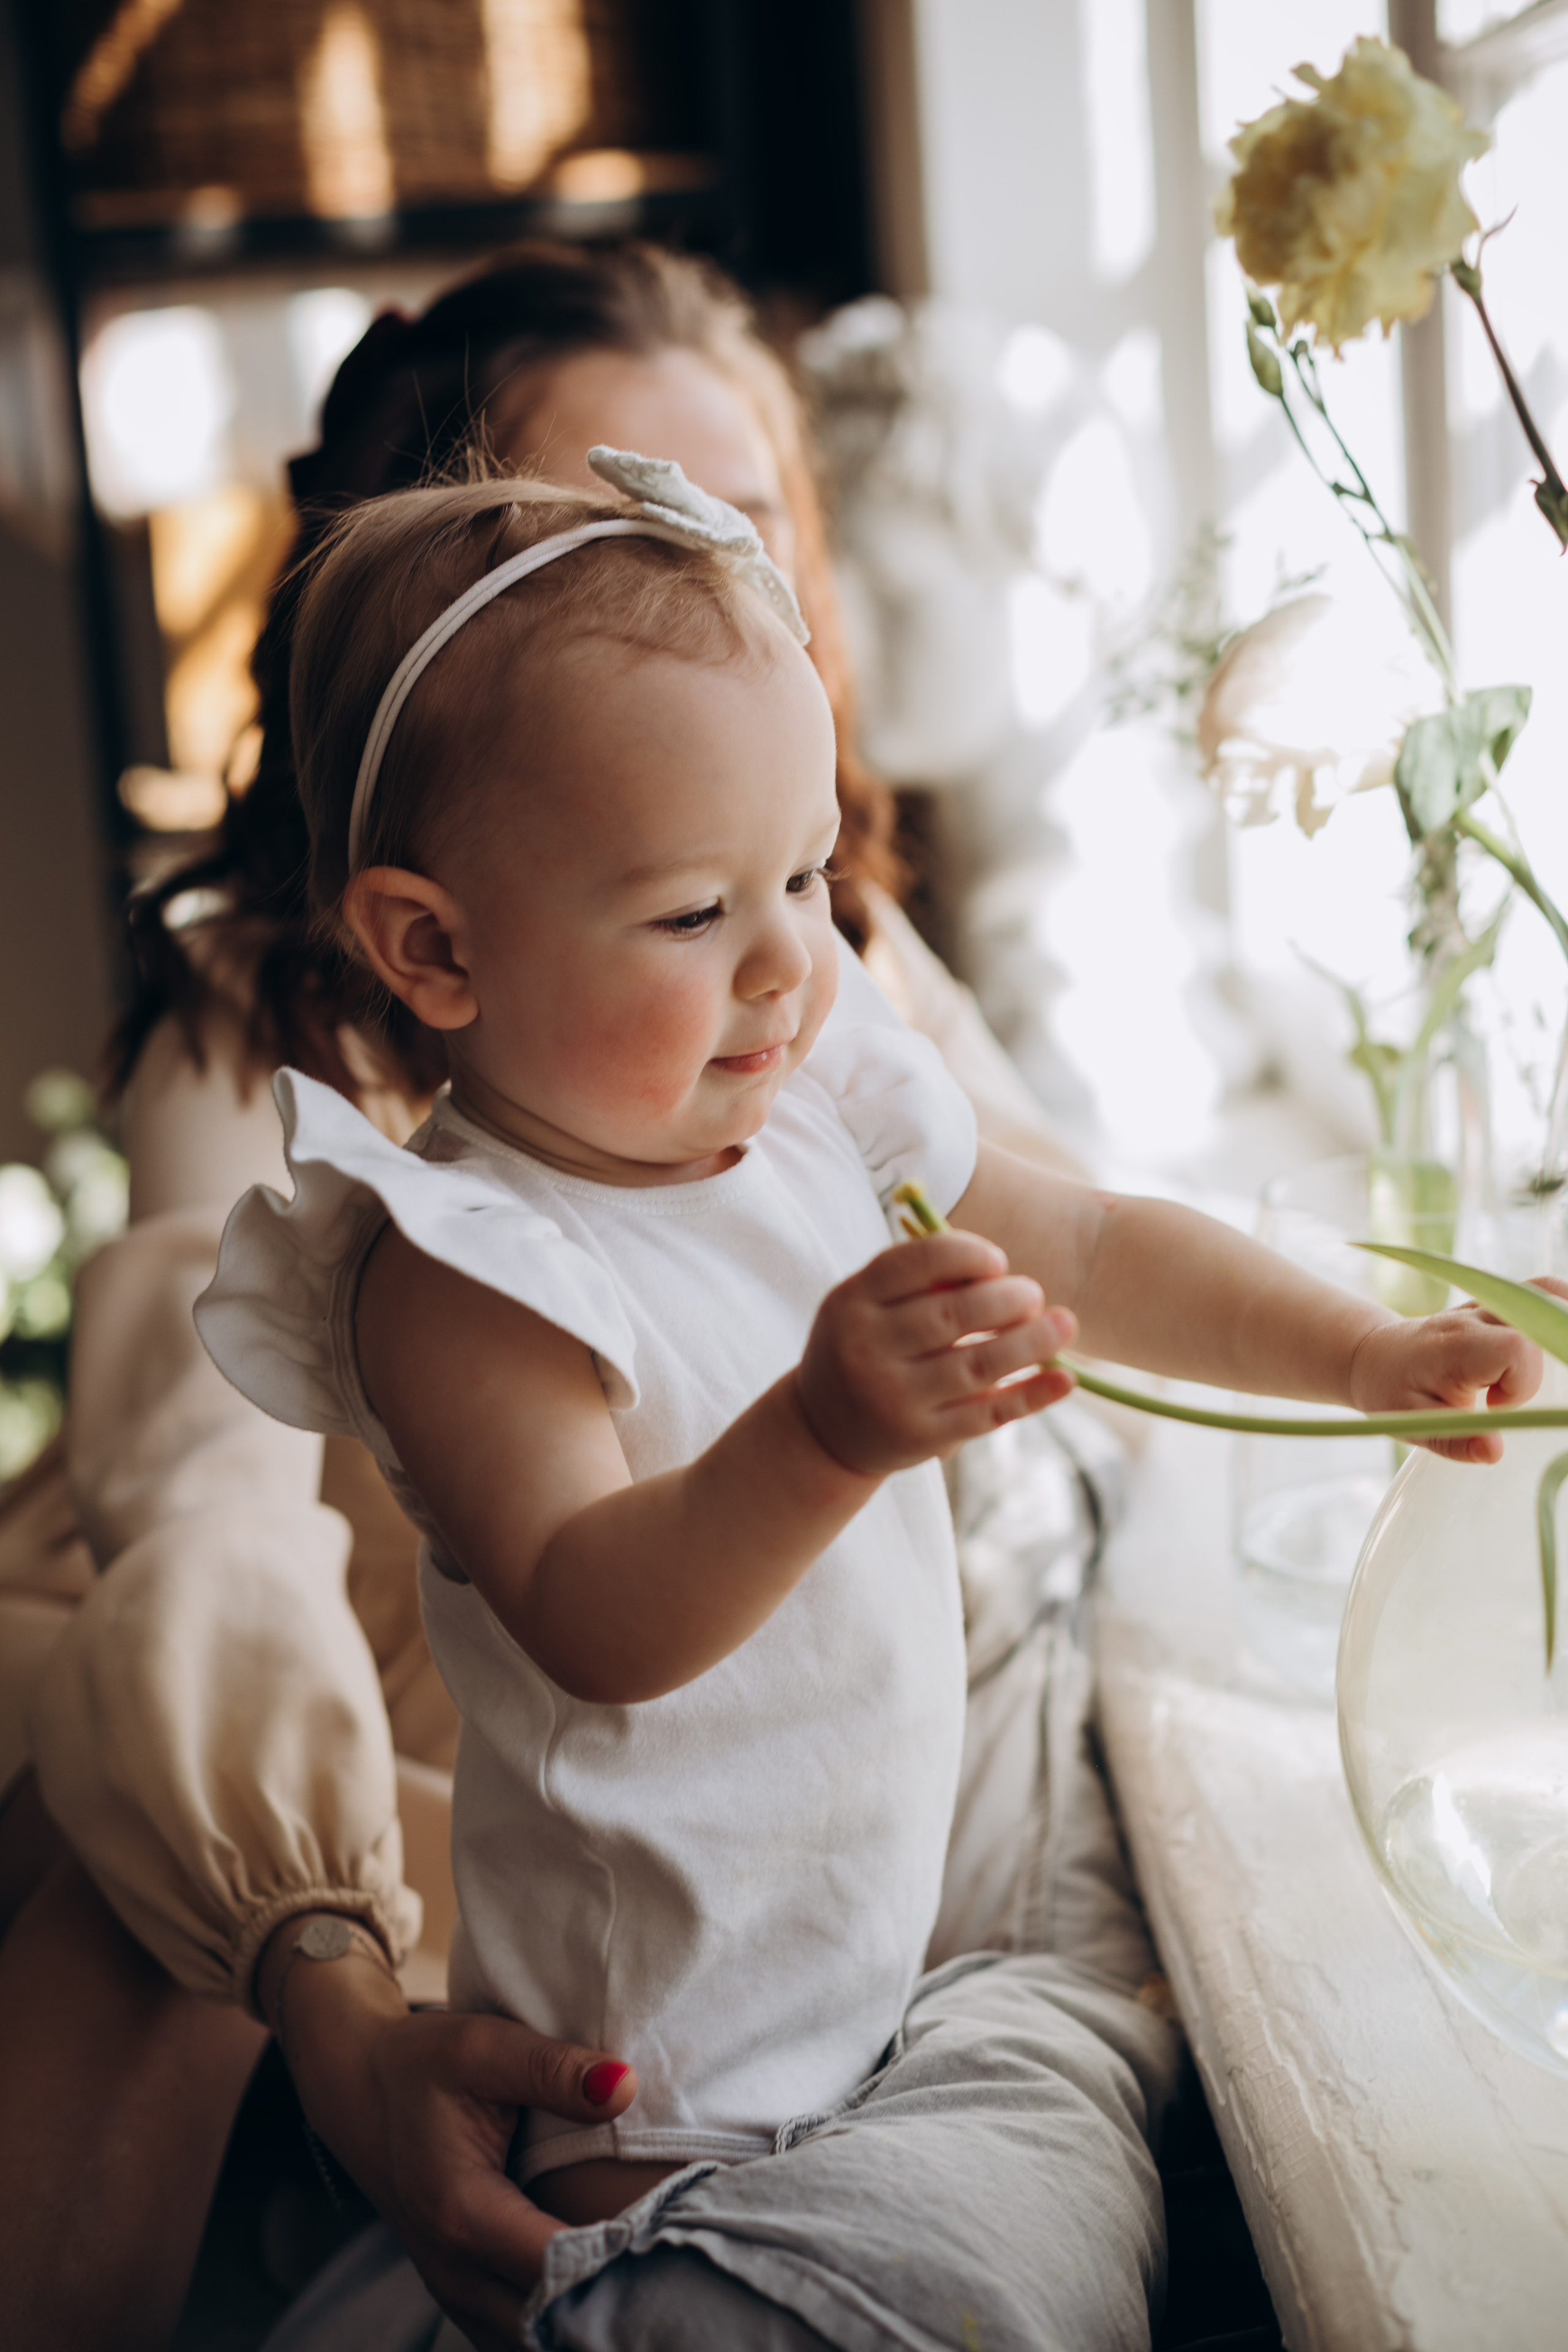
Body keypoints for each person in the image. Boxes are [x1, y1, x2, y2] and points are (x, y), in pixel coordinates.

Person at [199, 449, 1534, 2346]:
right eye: (687, 916)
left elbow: (1093, 1238)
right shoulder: (466, 1260)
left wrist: (1363, 1353)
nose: (783, 965)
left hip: (855, 2004)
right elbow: (593, 1610)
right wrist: (825, 1435)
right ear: (436, 948)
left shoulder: (813, 1085)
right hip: (638, 2103)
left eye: (809, 875)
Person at [0, 243, 1103, 2352]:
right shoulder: (264, 1021)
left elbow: (1078, 1232)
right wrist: (321, 1979)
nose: (689, 602)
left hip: (766, 1722)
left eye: (734, 532)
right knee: (129, 1929)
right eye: (583, 531)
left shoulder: (818, 954)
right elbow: (215, 1533)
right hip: (368, 1731)